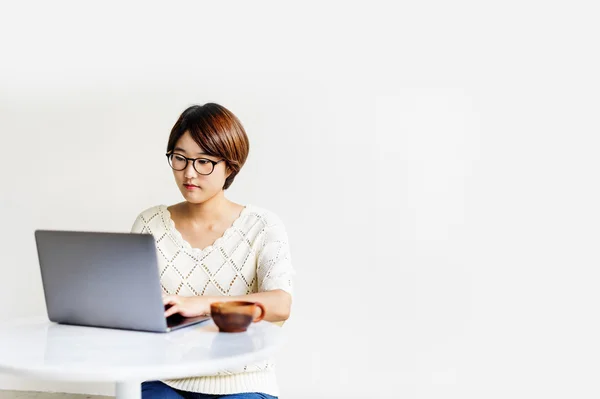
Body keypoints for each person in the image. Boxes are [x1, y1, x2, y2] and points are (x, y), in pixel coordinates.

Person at [131, 103, 294, 399]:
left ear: (230, 166)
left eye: (204, 161)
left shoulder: (263, 226)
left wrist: (202, 304)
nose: (189, 173)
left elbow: (281, 304)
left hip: (245, 382)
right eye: (180, 158)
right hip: (166, 379)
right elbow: (134, 308)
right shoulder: (150, 224)